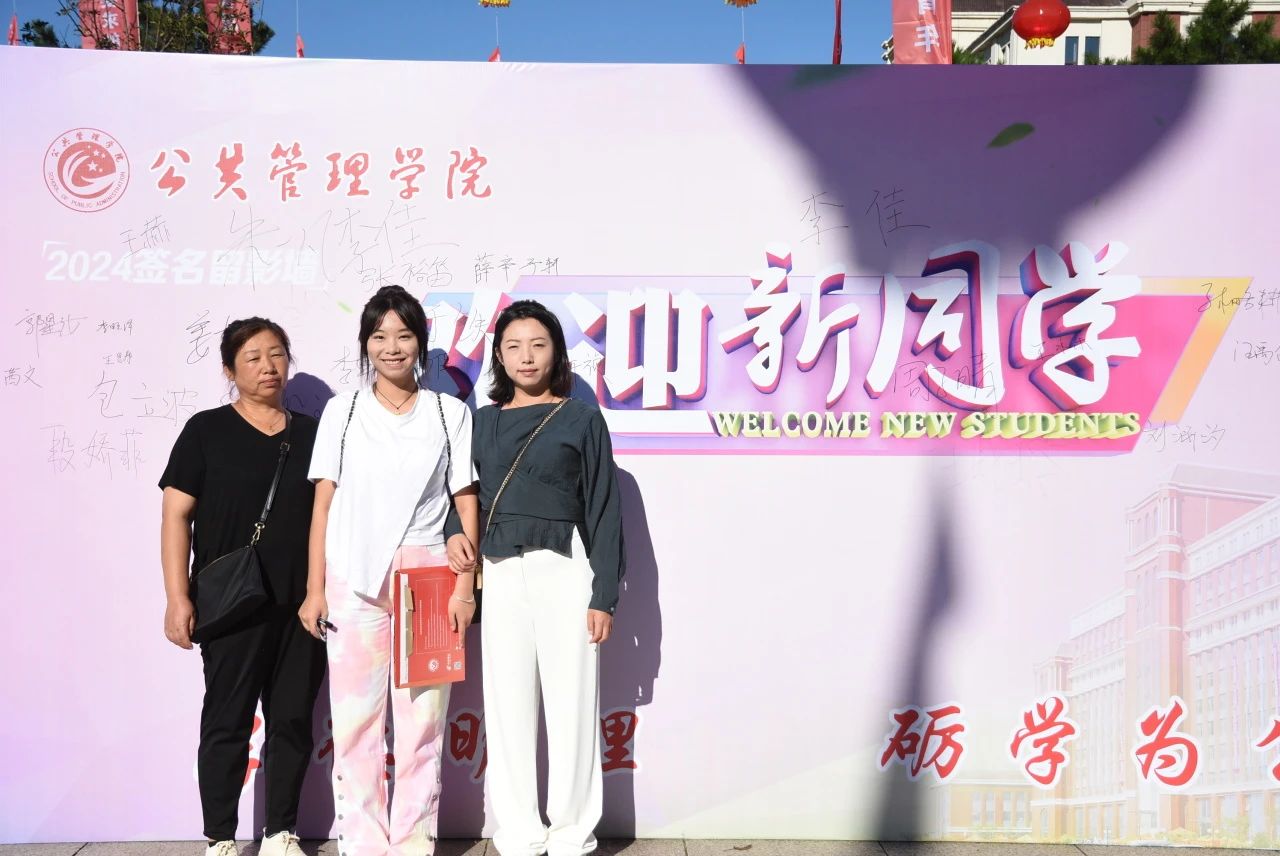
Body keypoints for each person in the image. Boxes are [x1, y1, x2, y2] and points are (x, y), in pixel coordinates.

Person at [300, 284, 480, 856]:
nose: (392, 347)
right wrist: (314, 589)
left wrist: (465, 587)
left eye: (404, 335)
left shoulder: (450, 413)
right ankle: (362, 842)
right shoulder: (343, 411)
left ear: (421, 342)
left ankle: (412, 840)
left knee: (423, 722)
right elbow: (323, 504)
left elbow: (466, 500)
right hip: (352, 579)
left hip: (428, 578)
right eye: (379, 336)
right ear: (365, 344)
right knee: (355, 720)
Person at [447, 299, 625, 856]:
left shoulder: (582, 419)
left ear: (556, 353)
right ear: (499, 356)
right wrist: (454, 533)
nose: (526, 356)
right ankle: (520, 834)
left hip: (565, 569)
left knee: (572, 705)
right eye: (513, 346)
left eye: (538, 344)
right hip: (500, 572)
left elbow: (604, 510)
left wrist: (604, 595)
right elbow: (461, 494)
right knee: (507, 706)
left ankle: (572, 835)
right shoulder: (482, 422)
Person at [159, 318, 326, 856]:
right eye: (252, 357)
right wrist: (178, 597)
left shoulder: (313, 434)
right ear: (229, 370)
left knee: (292, 720)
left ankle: (281, 832)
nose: (268, 367)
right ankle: (220, 838)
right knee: (227, 721)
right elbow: (175, 516)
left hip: (301, 605)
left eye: (276, 354)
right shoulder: (205, 431)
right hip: (231, 605)